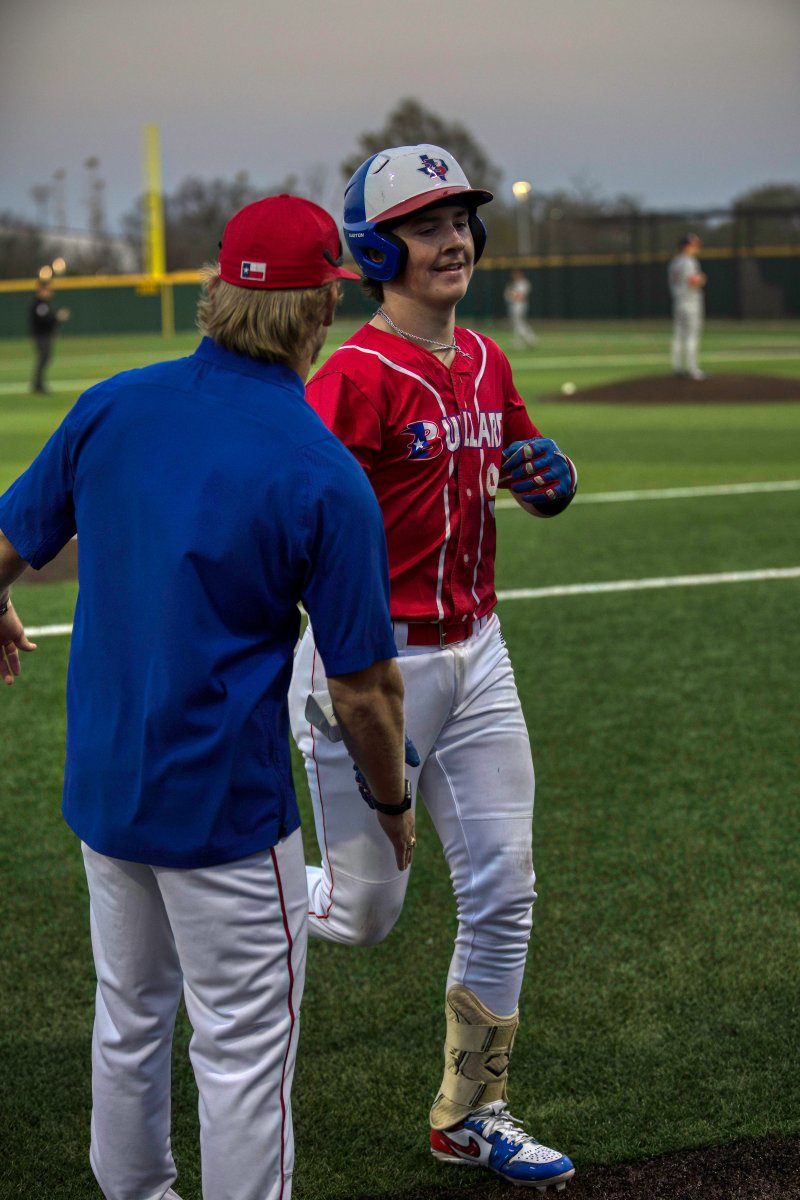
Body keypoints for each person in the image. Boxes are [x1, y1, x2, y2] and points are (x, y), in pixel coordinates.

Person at [0, 194, 414, 1200]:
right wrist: (393, 804)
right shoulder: (320, 470)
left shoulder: (112, 404)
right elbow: (363, 693)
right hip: (226, 812)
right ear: (323, 308)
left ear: (216, 292)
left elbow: (6, 546)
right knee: (241, 1056)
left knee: (129, 1015)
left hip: (107, 791)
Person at [288, 145, 578, 1191]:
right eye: (424, 226)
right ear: (375, 252)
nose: (452, 239)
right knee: (365, 914)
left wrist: (550, 478)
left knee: (505, 889)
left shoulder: (487, 360)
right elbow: (292, 525)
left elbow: (528, 469)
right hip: (374, 669)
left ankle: (471, 1114)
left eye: (459, 219)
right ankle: (230, 892)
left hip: (479, 653)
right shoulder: (350, 379)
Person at [668, 233, 707, 380]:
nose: (696, 248)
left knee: (679, 334)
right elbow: (694, 281)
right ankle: (692, 369)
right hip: (691, 301)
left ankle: (677, 367)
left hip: (678, 300)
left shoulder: (674, 262)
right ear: (685, 247)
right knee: (692, 334)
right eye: (693, 245)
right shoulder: (689, 262)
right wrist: (702, 279)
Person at [29, 280, 69, 394]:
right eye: (47, 290)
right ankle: (38, 385)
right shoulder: (40, 305)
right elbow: (44, 322)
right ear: (41, 290)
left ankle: (38, 384)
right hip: (41, 336)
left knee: (45, 358)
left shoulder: (44, 304)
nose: (50, 292)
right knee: (43, 358)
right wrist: (58, 318)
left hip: (44, 335)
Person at [504, 267, 538, 348]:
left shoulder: (524, 283)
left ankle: (531, 339)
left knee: (519, 324)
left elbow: (520, 296)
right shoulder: (513, 283)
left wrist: (511, 295)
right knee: (517, 324)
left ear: (520, 274)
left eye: (516, 274)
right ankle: (519, 342)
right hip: (513, 305)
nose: (514, 276)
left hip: (519, 306)